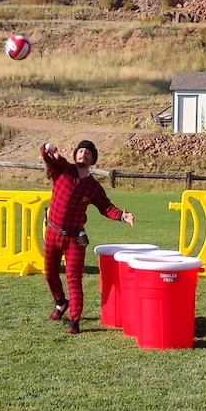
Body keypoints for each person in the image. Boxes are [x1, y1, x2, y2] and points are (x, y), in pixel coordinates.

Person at [41, 139, 134, 334]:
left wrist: (122, 216)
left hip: (75, 238)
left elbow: (106, 207)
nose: (84, 154)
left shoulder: (93, 187)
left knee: (73, 279)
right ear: (75, 155)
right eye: (81, 151)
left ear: (93, 159)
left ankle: (74, 321)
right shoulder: (63, 170)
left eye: (88, 152)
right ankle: (60, 303)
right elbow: (48, 160)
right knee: (49, 274)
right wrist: (47, 148)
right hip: (52, 232)